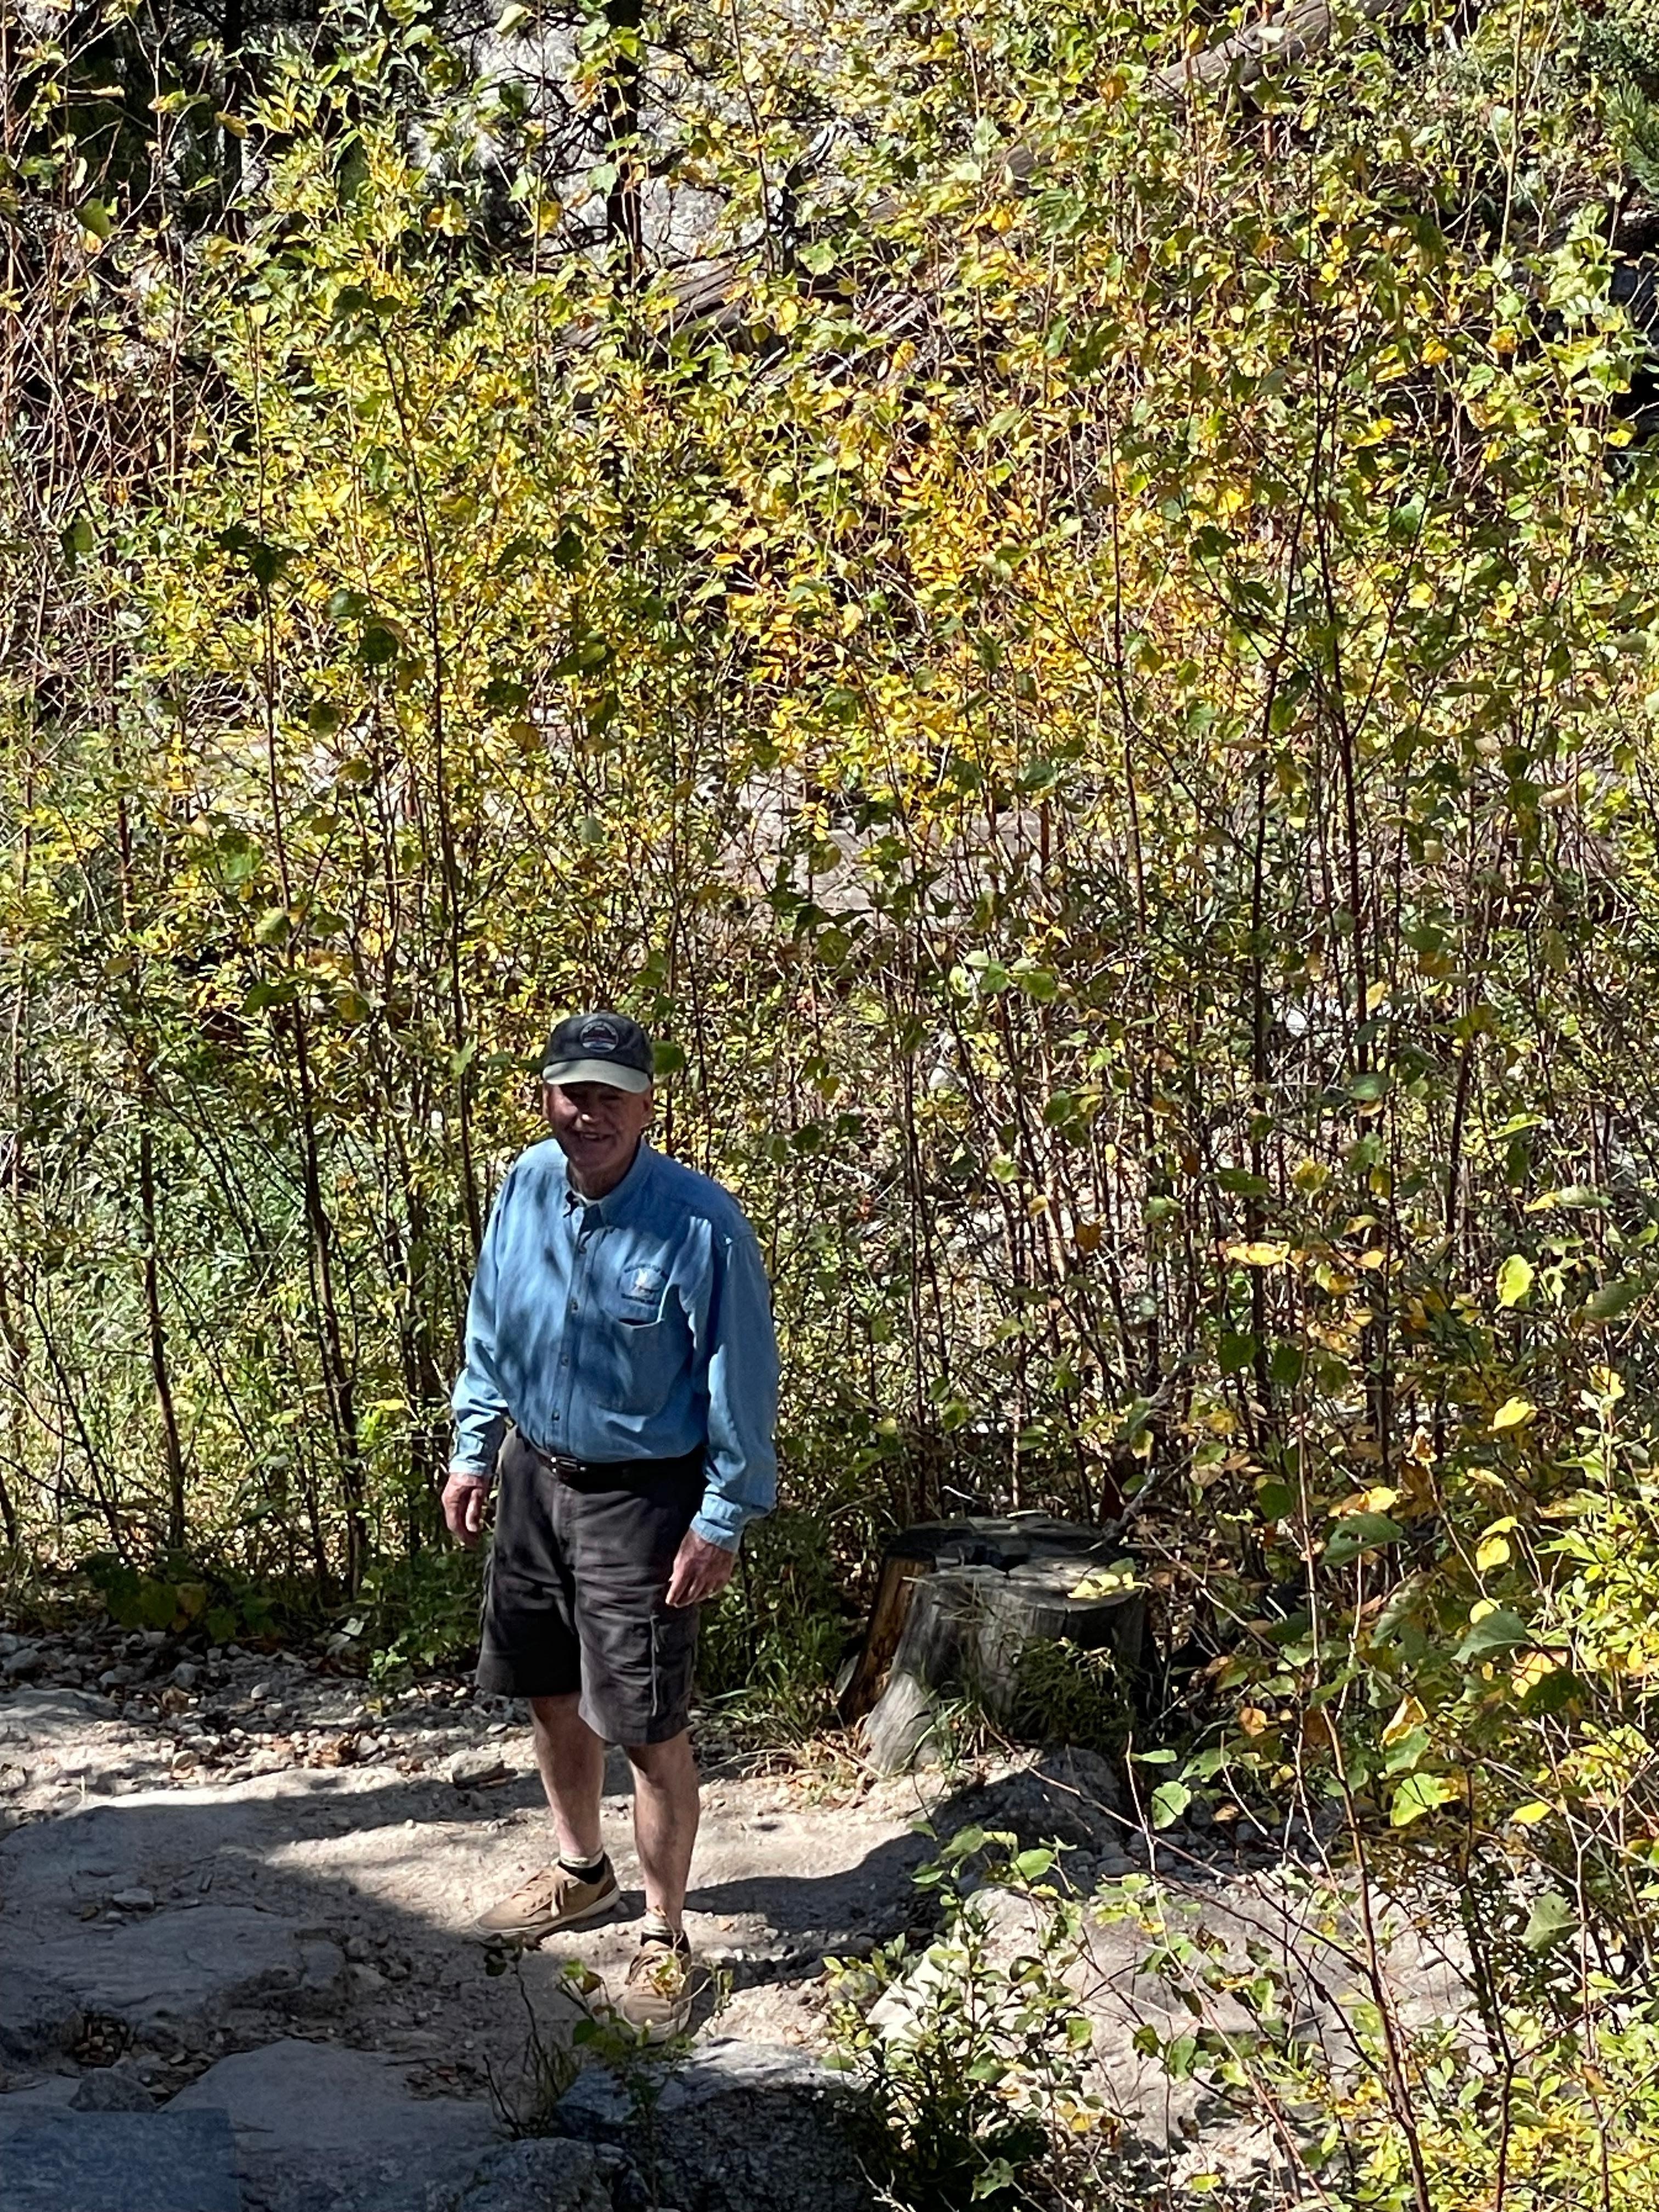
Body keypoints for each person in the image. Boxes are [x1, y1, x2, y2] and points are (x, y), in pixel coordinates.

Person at [442, 1010, 778, 2039]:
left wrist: (720, 1518)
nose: (585, 1114)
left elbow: (742, 1383)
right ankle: (580, 1872)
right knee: (548, 1692)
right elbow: (493, 1324)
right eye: (568, 1092)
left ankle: (668, 1936)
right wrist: (472, 1446)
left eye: (606, 1096)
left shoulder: (698, 1223)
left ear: (644, 1104)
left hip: (642, 1498)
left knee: (646, 1724)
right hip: (532, 1476)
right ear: (546, 1096)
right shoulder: (525, 1184)